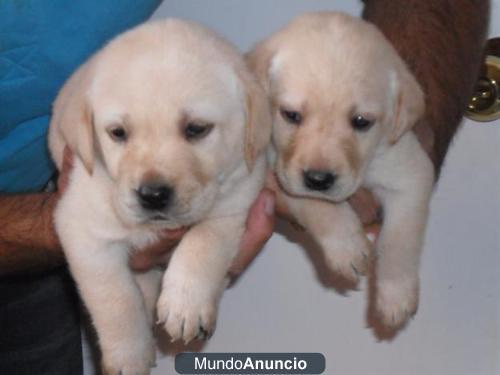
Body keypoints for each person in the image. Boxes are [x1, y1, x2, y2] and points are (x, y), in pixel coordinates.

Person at [0, 0, 489, 374]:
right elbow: (85, 232)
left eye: (196, 131)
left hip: (28, 266)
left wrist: (403, 142)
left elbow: (235, 206)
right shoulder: (92, 117)